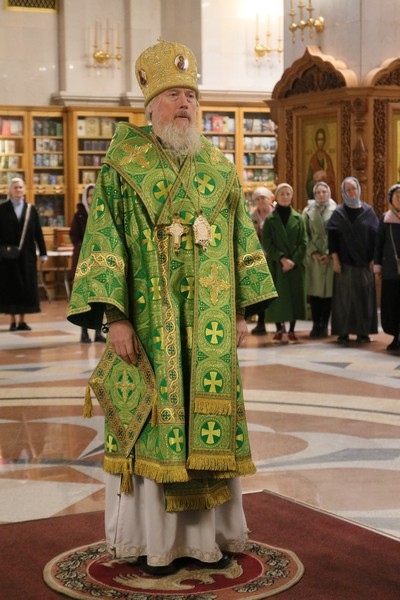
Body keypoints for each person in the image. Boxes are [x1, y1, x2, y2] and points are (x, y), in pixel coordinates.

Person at [67, 39, 277, 576]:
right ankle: (154, 544)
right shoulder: (122, 165)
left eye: (191, 95)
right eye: (173, 95)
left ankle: (212, 538)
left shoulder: (219, 168)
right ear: (151, 106)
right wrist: (115, 318)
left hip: (209, 328)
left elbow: (241, 239)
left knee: (209, 425)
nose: (185, 103)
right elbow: (105, 242)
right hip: (149, 326)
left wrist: (240, 311)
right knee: (155, 424)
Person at [327, 176, 379, 344]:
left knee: (364, 298)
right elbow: (332, 239)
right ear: (344, 192)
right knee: (344, 299)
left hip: (364, 263)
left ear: (359, 189)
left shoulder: (368, 212)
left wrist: (374, 259)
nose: (352, 192)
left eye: (354, 188)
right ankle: (343, 332)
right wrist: (335, 259)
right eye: (348, 190)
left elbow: (376, 238)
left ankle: (363, 332)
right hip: (344, 263)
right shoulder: (338, 213)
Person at [0, 177, 47, 331]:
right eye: (15, 187)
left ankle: (22, 321)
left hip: (27, 255)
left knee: (26, 287)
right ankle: (12, 321)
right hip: (7, 256)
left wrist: (43, 253)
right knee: (11, 287)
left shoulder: (31, 210)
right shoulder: (2, 209)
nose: (18, 190)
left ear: (25, 190)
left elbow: (38, 233)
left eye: (20, 187)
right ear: (10, 190)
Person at [262, 183, 307, 343]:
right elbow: (267, 243)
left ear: (291, 196)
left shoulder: (299, 218)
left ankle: (292, 330)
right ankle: (279, 329)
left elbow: (303, 243)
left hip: (294, 265)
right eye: (282, 194)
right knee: (278, 298)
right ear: (276, 197)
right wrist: (282, 259)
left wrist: (293, 261)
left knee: (294, 296)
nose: (285, 197)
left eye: (288, 194)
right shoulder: (270, 220)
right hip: (277, 264)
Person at [69, 183, 106, 344]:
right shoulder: (79, 214)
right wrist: (86, 247)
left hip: (99, 261)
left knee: (99, 296)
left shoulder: (103, 212)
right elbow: (74, 236)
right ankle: (84, 332)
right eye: (90, 195)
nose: (92, 197)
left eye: (95, 194)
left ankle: (98, 332)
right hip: (83, 260)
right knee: (83, 297)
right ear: (86, 197)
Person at [302, 181, 336, 337]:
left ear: (329, 193)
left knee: (328, 292)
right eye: (318, 192)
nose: (321, 195)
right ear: (314, 195)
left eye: (324, 192)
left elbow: (337, 234)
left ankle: (324, 324)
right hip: (313, 256)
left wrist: (329, 253)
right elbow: (304, 234)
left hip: (329, 255)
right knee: (315, 291)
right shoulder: (307, 211)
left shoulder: (336, 210)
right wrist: (313, 252)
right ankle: (316, 323)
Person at [373, 183, 400, 351]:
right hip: (391, 270)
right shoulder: (385, 219)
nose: (399, 199)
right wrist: (377, 267)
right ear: (391, 199)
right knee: (392, 304)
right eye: (397, 196)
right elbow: (378, 244)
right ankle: (395, 336)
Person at [249, 186, 275, 335]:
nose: (260, 201)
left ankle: (279, 322)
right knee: (261, 290)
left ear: (270, 198)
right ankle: (261, 322)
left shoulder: (275, 214)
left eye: (263, 198)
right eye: (257, 199)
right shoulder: (252, 216)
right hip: (259, 257)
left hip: (274, 256)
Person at [305, 127, 337, 200]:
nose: (320, 142)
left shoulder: (327, 159)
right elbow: (308, 184)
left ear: (324, 141)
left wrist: (325, 177)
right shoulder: (313, 159)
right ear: (316, 141)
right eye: (318, 140)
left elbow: (332, 181)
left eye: (322, 139)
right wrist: (315, 181)